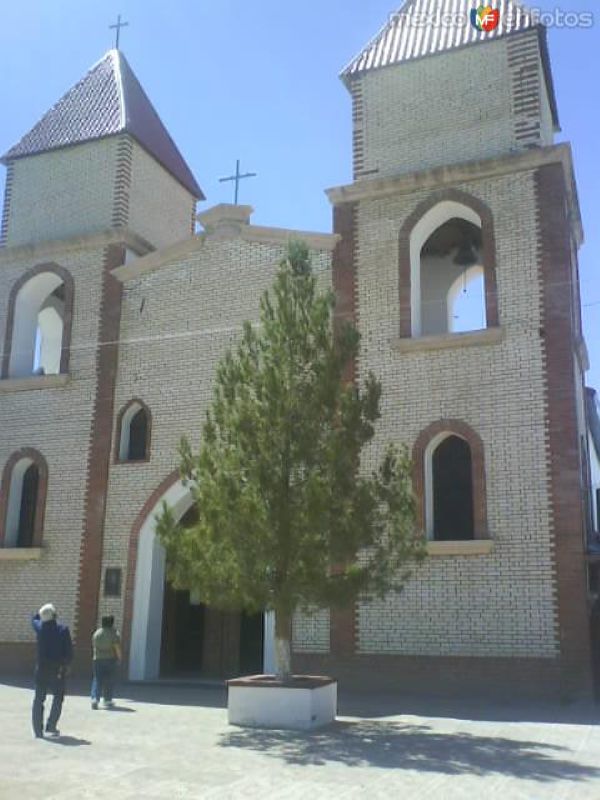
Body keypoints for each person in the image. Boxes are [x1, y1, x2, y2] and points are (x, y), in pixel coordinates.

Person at [31, 603, 73, 738]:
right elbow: (69, 652)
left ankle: (38, 730)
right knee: (58, 698)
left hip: (42, 670)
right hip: (57, 670)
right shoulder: (63, 630)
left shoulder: (40, 628)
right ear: (55, 615)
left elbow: (34, 619)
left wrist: (40, 614)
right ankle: (51, 725)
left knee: (39, 699)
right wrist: (66, 665)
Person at [91, 615, 121, 709]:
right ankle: (107, 700)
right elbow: (117, 647)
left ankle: (95, 699)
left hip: (97, 659)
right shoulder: (113, 633)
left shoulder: (97, 633)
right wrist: (119, 658)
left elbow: (94, 646)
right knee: (109, 680)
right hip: (110, 659)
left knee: (97, 679)